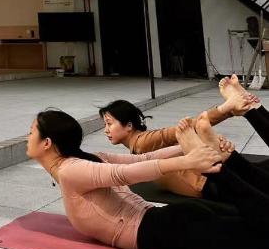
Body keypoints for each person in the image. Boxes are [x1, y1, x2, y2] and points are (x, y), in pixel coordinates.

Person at [27, 80, 269, 249]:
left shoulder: (70, 170)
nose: (28, 138)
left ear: (47, 143)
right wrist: (188, 151)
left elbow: (127, 171)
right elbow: (136, 164)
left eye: (31, 133)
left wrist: (187, 156)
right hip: (173, 222)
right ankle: (229, 160)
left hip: (168, 231)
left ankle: (222, 166)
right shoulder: (83, 163)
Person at [98, 81, 257, 198]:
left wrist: (226, 109)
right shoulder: (138, 148)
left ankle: (244, 107)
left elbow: (184, 128)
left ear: (128, 126)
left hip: (211, 185)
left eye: (109, 123)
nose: (106, 130)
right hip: (210, 183)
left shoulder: (142, 142)